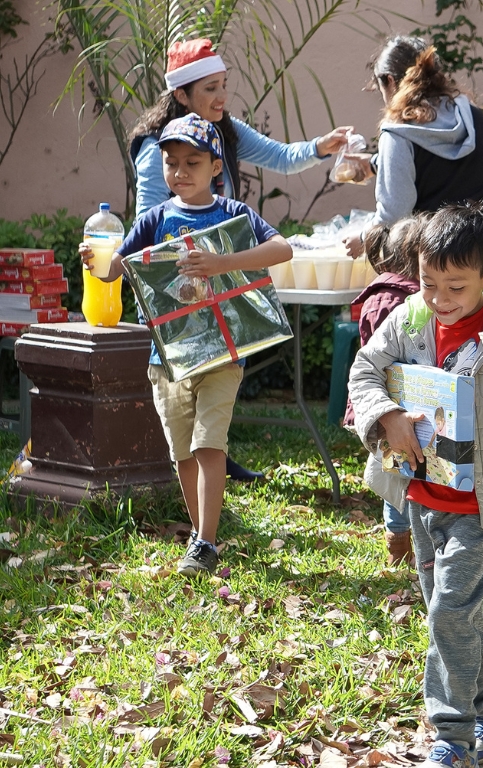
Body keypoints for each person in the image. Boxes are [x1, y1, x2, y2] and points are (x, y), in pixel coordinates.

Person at [348, 204, 483, 768]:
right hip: (422, 494)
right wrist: (386, 416)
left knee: (448, 611)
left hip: (482, 502)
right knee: (458, 615)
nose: (441, 298)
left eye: (456, 286)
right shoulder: (410, 318)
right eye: (428, 283)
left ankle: (453, 734)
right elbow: (365, 369)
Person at [129, 38, 350, 482]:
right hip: (177, 291)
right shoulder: (157, 152)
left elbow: (281, 157)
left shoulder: (222, 131)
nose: (221, 97)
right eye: (210, 88)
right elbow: (148, 232)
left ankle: (214, 456)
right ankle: (198, 468)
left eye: (223, 86)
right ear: (181, 95)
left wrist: (321, 148)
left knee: (217, 386)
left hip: (218, 281)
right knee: (185, 402)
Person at [81, 114, 293, 575]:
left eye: (192, 162)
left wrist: (222, 263)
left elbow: (282, 250)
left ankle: (207, 541)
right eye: (171, 162)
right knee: (183, 452)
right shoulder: (154, 219)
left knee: (208, 445)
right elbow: (116, 269)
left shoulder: (235, 214)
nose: (180, 171)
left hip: (223, 352)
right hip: (167, 359)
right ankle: (202, 540)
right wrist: (94, 261)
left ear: (216, 166)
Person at [341, 36, 483, 306]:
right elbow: (453, 165)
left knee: (456, 351)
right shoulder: (470, 113)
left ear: (390, 82)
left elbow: (395, 214)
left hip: (453, 267)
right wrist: (377, 163)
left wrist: (362, 238)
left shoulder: (397, 131)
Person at [343, 215, 425, 566]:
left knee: (405, 472)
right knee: (397, 476)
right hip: (393, 407)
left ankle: (406, 543)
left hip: (400, 405)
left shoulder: (390, 294)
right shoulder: (395, 301)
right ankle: (399, 544)